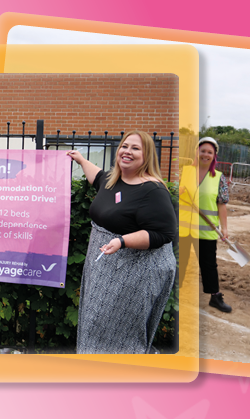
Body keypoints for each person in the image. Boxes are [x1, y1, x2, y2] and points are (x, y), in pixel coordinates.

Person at [67, 131, 177, 354]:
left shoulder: (152, 190)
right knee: (97, 322)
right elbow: (97, 177)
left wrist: (122, 241)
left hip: (134, 274)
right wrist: (80, 159)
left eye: (136, 148)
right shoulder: (113, 180)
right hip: (105, 269)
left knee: (120, 331)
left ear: (147, 155)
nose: (127, 151)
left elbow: (163, 234)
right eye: (124, 146)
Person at [179, 137, 233, 313]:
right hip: (184, 228)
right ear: (197, 152)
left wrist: (224, 228)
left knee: (209, 265)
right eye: (203, 151)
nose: (206, 154)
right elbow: (176, 194)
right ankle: (175, 295)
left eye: (210, 152)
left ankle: (215, 297)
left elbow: (221, 204)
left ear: (214, 156)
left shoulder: (218, 177)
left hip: (206, 231)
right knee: (181, 262)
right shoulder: (185, 171)